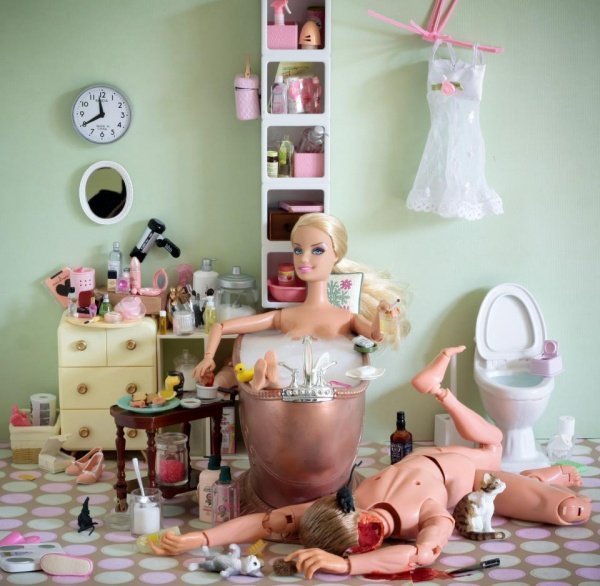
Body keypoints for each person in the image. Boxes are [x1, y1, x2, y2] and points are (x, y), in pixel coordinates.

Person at [152, 346, 591, 578]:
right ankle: (545, 476)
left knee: (494, 441)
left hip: (443, 454)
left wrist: (197, 538)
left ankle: (440, 391)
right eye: (367, 539)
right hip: (476, 479)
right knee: (565, 507)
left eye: (360, 527)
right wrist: (347, 566)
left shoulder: (344, 503)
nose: (370, 529)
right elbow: (421, 555)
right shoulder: (424, 518)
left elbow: (266, 523)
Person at [193, 213, 410, 387]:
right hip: (286, 389)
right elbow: (221, 326)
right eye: (298, 250)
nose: (304, 258)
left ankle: (270, 379)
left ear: (336, 255)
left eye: (317, 250)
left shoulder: (346, 318)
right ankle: (268, 380)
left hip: (325, 386)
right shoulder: (285, 316)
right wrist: (208, 357)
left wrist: (382, 315)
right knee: (266, 375)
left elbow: (375, 336)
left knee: (275, 375)